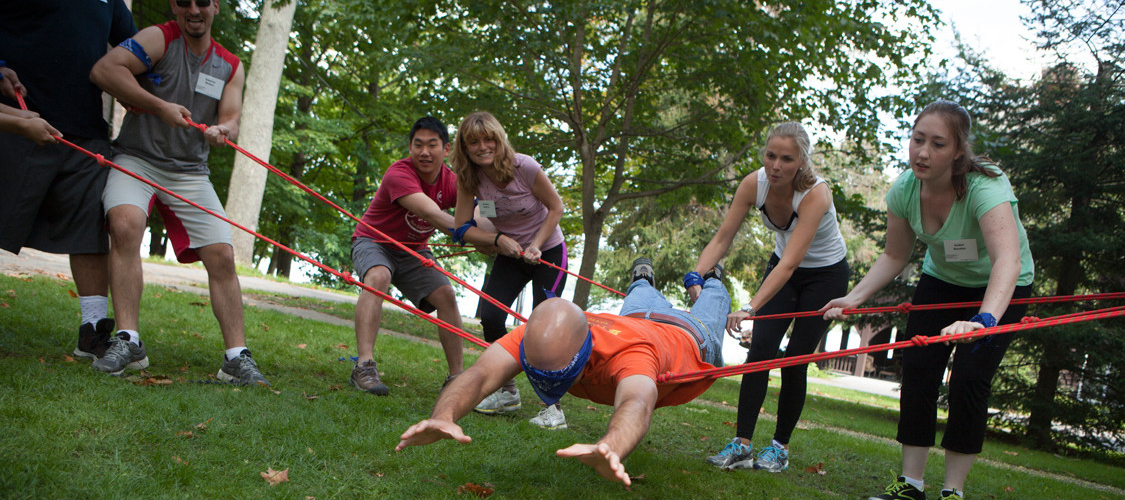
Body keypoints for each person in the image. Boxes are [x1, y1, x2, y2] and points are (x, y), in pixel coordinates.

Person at [820, 100, 1034, 500]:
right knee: (918, 368)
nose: (922, 152)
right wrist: (854, 297)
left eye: (937, 144)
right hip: (943, 281)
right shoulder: (904, 190)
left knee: (970, 377)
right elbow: (895, 256)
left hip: (1003, 286)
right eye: (918, 140)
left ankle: (952, 491)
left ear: (957, 151)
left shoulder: (984, 187)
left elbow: (1009, 257)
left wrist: (984, 320)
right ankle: (910, 485)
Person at [396, 258, 729, 486]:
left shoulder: (630, 357)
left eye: (557, 377)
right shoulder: (540, 333)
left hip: (692, 333)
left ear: (584, 353)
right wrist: (444, 415)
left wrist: (612, 445)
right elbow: (481, 373)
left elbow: (637, 403)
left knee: (713, 296)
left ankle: (711, 278)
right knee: (640, 292)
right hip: (638, 316)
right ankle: (642, 280)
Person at [87, 0, 269, 385]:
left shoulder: (230, 64)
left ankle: (236, 359)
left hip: (189, 171)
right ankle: (128, 340)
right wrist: (157, 107)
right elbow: (104, 70)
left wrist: (225, 131)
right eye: (184, 2)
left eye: (202, 1)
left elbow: (230, 117)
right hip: (136, 159)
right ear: (175, 6)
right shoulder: (158, 38)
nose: (194, 9)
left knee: (222, 253)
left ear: (215, 6)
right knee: (125, 223)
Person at [691, 122, 849, 472]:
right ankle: (742, 444)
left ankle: (779, 449)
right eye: (770, 156)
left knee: (795, 359)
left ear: (802, 162)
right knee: (760, 352)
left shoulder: (815, 194)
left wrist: (749, 307)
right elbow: (722, 238)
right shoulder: (754, 184)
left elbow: (792, 263)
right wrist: (696, 274)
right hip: (782, 269)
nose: (776, 166)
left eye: (787, 159)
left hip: (825, 276)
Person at [0, 2, 137, 362]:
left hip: (85, 133)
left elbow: (135, 48)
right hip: (17, 119)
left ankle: (91, 332)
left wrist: (151, 89)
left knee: (89, 229)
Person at [447, 111, 569, 429]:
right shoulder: (469, 177)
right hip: (509, 253)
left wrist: (537, 245)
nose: (482, 147)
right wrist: (495, 238)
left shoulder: (524, 167)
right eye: (473, 141)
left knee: (544, 329)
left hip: (548, 252)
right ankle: (507, 392)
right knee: (490, 315)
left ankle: (552, 407)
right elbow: (461, 226)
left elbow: (556, 207)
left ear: (499, 139)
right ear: (464, 146)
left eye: (488, 139)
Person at [348, 116, 467, 395]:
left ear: (446, 149)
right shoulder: (398, 173)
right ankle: (363, 366)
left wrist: (494, 234)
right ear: (410, 148)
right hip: (373, 240)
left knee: (446, 296)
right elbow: (431, 214)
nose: (424, 152)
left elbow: (479, 210)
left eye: (432, 145)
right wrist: (475, 233)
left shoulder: (452, 181)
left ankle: (457, 379)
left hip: (413, 249)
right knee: (378, 275)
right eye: (418, 145)